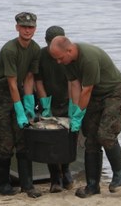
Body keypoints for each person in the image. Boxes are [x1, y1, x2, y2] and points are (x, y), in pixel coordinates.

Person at [49, 35, 121, 198]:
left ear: (69, 50)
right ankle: (92, 186)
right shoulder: (67, 61)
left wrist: (79, 115)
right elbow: (76, 86)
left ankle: (120, 171)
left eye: (60, 58)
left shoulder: (88, 58)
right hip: (94, 96)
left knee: (105, 135)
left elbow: (87, 90)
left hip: (113, 93)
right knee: (90, 139)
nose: (58, 61)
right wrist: (75, 112)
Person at [0, 12, 42, 198]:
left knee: (23, 138)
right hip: (0, 93)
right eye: (24, 27)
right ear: (17, 27)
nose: (27, 30)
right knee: (6, 142)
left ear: (35, 28)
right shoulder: (10, 49)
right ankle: (2, 185)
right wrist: (19, 110)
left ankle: (27, 185)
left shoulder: (35, 49)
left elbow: (29, 78)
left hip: (18, 89)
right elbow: (10, 82)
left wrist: (28, 104)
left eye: (31, 27)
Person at [34, 26, 74, 193]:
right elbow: (38, 81)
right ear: (47, 42)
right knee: (50, 139)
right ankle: (54, 178)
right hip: (49, 100)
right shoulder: (41, 55)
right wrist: (44, 104)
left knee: (66, 137)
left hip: (67, 99)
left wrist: (73, 104)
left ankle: (66, 170)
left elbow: (73, 81)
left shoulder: (69, 55)